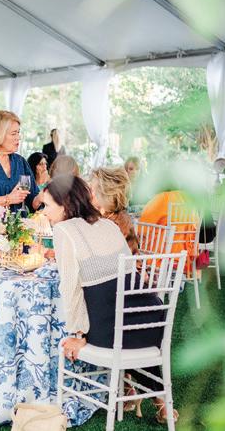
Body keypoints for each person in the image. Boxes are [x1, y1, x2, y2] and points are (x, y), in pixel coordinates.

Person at [41, 175, 177, 424]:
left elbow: (70, 288)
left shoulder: (64, 230)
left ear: (66, 205)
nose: (44, 212)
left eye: (47, 205)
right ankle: (160, 401)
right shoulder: (108, 224)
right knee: (123, 324)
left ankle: (132, 391)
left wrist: (78, 334)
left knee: (114, 325)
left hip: (113, 330)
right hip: (150, 320)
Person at [89, 167, 138, 254]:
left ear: (106, 195)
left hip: (121, 262)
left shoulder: (119, 221)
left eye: (92, 190)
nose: (89, 194)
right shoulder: (105, 215)